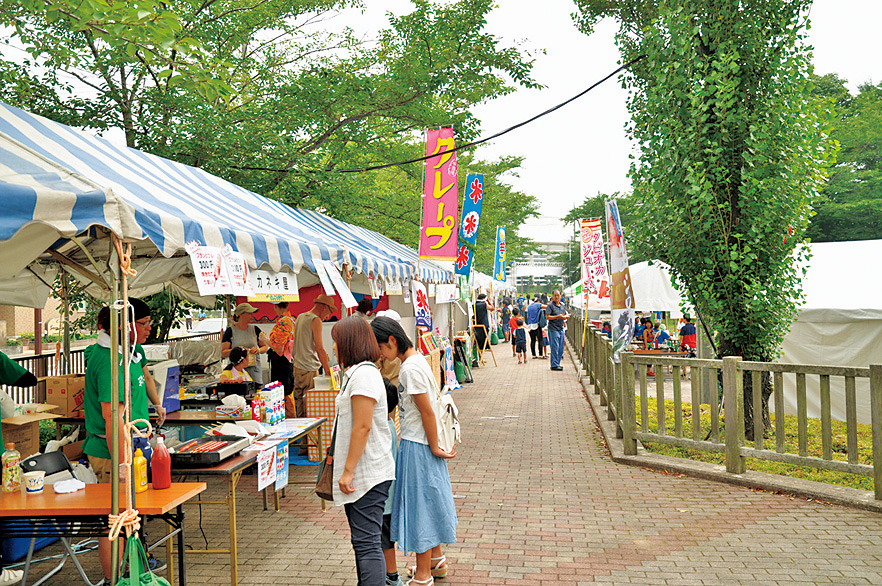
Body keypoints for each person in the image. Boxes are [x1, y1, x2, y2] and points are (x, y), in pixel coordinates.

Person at [83, 298, 166, 584]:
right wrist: (122, 463)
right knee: (114, 520)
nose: (149, 328)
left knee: (125, 516)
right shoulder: (110, 361)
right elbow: (111, 417)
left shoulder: (127, 353)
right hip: (113, 451)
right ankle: (113, 580)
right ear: (125, 325)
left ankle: (130, 568)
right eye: (144, 323)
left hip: (129, 445)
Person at [371, 317, 457, 586]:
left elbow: (427, 412)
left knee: (420, 508)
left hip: (418, 444)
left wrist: (433, 446)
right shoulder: (417, 361)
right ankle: (435, 561)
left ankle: (423, 575)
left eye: (382, 349)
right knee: (429, 501)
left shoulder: (409, 369)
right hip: (421, 443)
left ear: (393, 341)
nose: (382, 356)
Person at [331, 316, 395, 586]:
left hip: (367, 475)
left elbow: (362, 427)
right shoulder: (359, 374)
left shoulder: (365, 375)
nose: (333, 348)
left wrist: (347, 471)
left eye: (336, 342)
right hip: (364, 474)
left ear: (349, 343)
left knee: (367, 544)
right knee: (363, 542)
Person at [291, 294, 336, 448]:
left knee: (301, 407)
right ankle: (310, 446)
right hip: (310, 368)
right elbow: (319, 348)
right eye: (329, 311)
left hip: (297, 368)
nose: (328, 316)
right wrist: (328, 370)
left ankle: (304, 444)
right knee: (310, 408)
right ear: (324, 306)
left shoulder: (300, 317)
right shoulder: (315, 320)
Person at [221, 303, 268, 384]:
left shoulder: (255, 329)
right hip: (236, 371)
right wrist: (239, 350)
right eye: (250, 313)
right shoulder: (230, 331)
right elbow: (223, 353)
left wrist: (258, 350)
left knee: (256, 391)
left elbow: (265, 347)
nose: (252, 316)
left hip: (254, 370)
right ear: (241, 314)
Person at [268, 301, 295, 400]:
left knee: (281, 395)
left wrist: (265, 340)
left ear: (275, 306)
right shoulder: (291, 320)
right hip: (288, 362)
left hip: (281, 365)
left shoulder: (283, 322)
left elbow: (279, 349)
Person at [546, 289, 568, 371]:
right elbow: (547, 317)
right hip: (553, 328)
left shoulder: (562, 305)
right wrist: (557, 316)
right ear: (552, 296)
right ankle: (554, 364)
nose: (556, 297)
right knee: (555, 347)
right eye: (555, 295)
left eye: (558, 295)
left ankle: (557, 363)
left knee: (561, 347)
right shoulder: (550, 306)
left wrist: (565, 318)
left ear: (560, 296)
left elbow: (564, 314)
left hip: (561, 328)